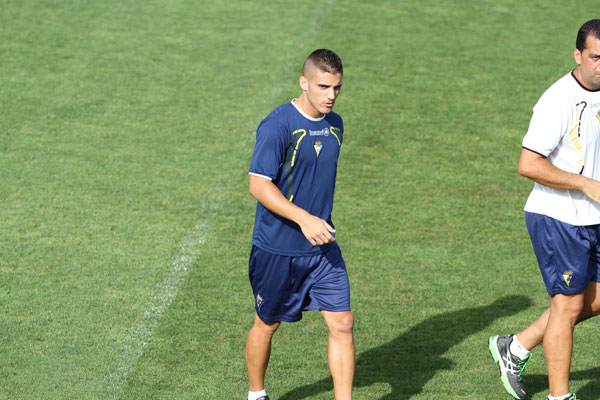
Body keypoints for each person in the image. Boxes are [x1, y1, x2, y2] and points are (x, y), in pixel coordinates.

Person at [489, 19, 600, 400]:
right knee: (567, 308)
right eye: (595, 57)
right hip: (559, 217)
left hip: (595, 216)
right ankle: (559, 397)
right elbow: (528, 164)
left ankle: (516, 346)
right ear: (578, 55)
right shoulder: (558, 100)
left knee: (592, 300)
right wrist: (586, 184)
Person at [245, 49, 354, 400]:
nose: (331, 95)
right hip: (279, 248)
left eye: (337, 87)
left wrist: (316, 223)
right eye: (323, 86)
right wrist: (304, 219)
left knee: (343, 323)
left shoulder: (335, 124)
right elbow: (258, 184)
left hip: (323, 247)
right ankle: (256, 394)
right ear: (303, 82)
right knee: (267, 324)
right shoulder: (278, 126)